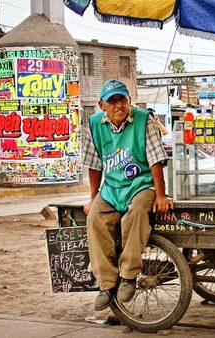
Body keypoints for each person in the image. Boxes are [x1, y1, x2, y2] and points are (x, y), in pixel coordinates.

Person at [81, 79, 171, 311]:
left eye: (122, 99)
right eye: (112, 101)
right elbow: (94, 164)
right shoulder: (93, 124)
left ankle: (129, 275)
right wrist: (93, 198)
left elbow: (155, 159)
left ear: (129, 100)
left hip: (141, 184)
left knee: (137, 213)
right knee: (95, 220)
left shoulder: (144, 119)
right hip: (112, 188)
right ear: (102, 105)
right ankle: (107, 283)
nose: (118, 105)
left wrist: (160, 195)